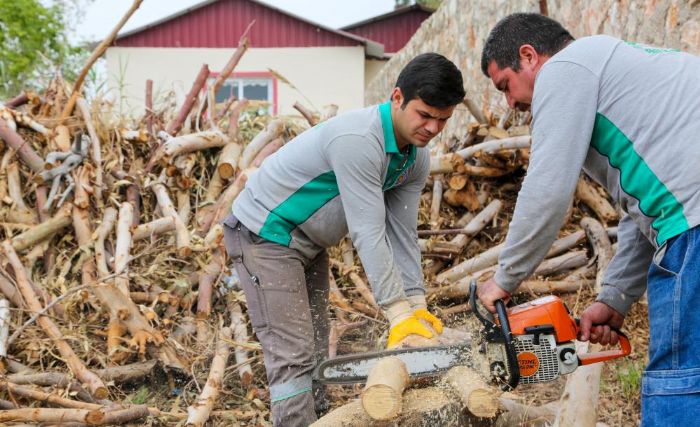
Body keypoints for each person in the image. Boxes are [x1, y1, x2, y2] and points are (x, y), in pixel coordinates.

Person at [476, 12, 700, 425]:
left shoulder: (565, 68)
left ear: (529, 56)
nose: (511, 103)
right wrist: (614, 298)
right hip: (690, 215)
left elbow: (548, 189)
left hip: (695, 226)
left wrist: (503, 281)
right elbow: (640, 210)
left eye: (505, 86)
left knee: (680, 378)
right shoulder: (614, 73)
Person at [222, 52, 466, 426]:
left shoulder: (414, 158)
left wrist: (416, 306)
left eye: (443, 120)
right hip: (264, 235)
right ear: (397, 98)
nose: (432, 128)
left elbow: (401, 233)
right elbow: (368, 231)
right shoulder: (359, 139)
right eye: (425, 115)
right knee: (293, 355)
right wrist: (396, 313)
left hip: (307, 243)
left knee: (317, 350)